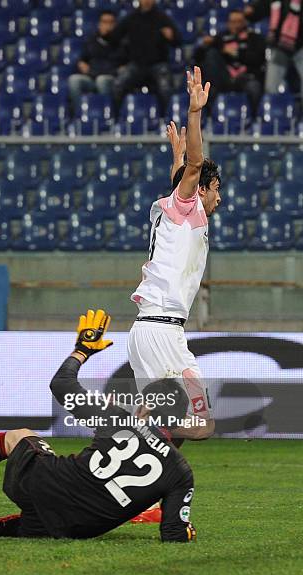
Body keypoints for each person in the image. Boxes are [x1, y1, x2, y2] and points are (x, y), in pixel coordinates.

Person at [0, 309, 198, 543]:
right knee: (58, 517)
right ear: (177, 421)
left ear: (145, 405)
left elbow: (61, 385)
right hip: (80, 527)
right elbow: (173, 533)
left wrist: (82, 350)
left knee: (21, 437)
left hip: (41, 485)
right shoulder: (182, 473)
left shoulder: (120, 418)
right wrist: (186, 532)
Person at [128, 66, 220, 436]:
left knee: (152, 426)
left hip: (148, 329)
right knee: (202, 425)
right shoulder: (189, 208)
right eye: (216, 189)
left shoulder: (173, 211)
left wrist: (176, 156)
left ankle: (122, 458)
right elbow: (195, 168)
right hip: (163, 332)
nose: (219, 198)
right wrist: (194, 114)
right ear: (202, 189)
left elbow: (182, 175)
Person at [106, 0, 182, 114]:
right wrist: (106, 32)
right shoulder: (131, 18)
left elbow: (178, 40)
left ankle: (168, 121)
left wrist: (172, 36)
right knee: (118, 85)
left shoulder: (162, 18)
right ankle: (115, 118)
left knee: (165, 88)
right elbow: (113, 39)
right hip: (136, 64)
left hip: (158, 63)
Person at [197, 9, 266, 114]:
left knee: (254, 88)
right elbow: (198, 58)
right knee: (211, 56)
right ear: (228, 23)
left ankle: (254, 118)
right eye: (233, 22)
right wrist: (205, 46)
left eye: (239, 22)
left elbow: (257, 59)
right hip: (225, 78)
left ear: (244, 23)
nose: (236, 25)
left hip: (246, 77)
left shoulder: (254, 38)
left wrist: (236, 53)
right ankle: (210, 118)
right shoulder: (221, 38)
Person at [244, 0, 303, 100]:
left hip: (301, 47)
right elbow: (258, 10)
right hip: (280, 47)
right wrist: (252, 11)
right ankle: (272, 111)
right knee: (271, 87)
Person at [67, 10, 124, 113]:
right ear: (99, 24)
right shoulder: (91, 40)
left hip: (112, 79)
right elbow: (82, 60)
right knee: (74, 80)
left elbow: (124, 65)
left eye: (111, 22)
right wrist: (81, 64)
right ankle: (80, 114)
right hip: (91, 77)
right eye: (104, 22)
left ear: (115, 25)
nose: (107, 26)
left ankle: (107, 113)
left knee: (102, 80)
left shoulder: (121, 42)